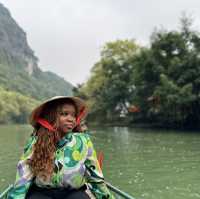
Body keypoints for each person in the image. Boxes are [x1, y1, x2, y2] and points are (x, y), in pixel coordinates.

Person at [7, 96, 115, 199]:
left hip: (73, 192)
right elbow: (23, 178)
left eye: (73, 115)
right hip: (42, 192)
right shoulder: (35, 142)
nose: (71, 119)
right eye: (64, 114)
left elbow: (95, 177)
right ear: (51, 117)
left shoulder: (83, 141)